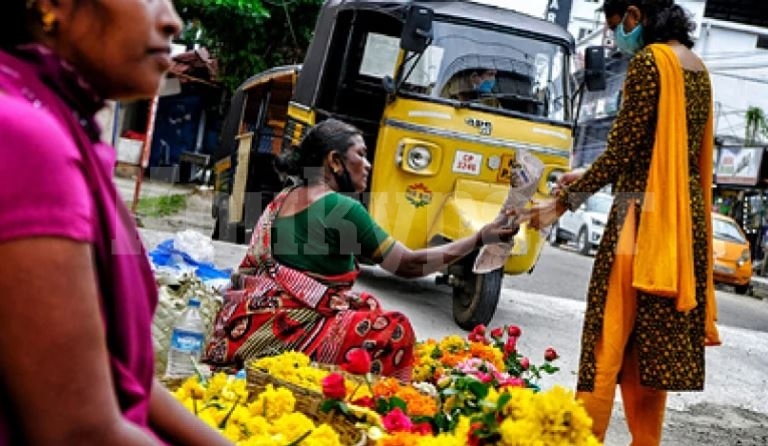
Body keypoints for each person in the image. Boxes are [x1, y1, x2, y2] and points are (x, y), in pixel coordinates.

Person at [0, 1, 231, 444]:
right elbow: (80, 430)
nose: (172, 21)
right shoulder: (25, 138)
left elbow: (114, 374)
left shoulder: (55, 119)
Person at [519, 1, 721, 444]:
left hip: (639, 226)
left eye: (614, 29)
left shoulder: (651, 61)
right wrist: (587, 176)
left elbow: (622, 151)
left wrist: (563, 203)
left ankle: (582, 437)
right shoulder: (698, 70)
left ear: (634, 15)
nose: (615, 41)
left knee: (607, 339)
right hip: (682, 230)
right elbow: (652, 158)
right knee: (649, 347)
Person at [204, 118, 518, 380]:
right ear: (334, 161)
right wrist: (480, 238)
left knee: (364, 303)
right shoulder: (340, 207)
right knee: (395, 330)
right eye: (361, 155)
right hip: (290, 330)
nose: (368, 165)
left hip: (254, 323)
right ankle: (367, 401)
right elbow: (408, 265)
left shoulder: (286, 196)